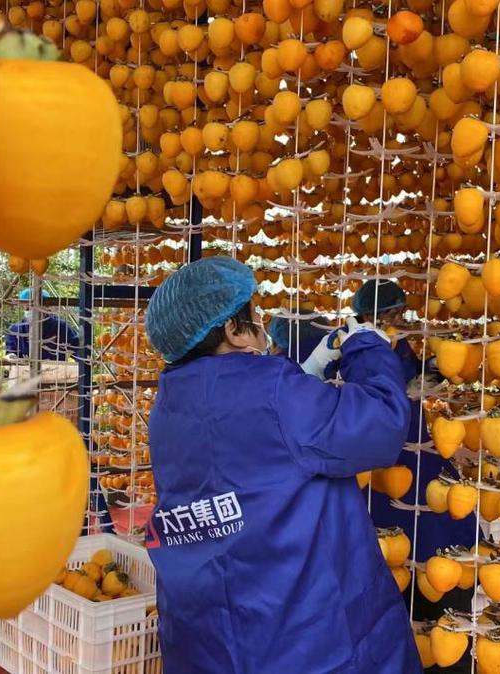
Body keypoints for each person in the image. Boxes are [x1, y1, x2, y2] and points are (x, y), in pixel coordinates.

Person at [143, 256, 422, 674]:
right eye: (253, 316)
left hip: (205, 638)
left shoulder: (167, 407)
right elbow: (381, 424)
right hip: (304, 641)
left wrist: (307, 374)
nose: (260, 326)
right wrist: (367, 345)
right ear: (233, 330)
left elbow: (258, 446)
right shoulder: (271, 390)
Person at [353, 280, 478, 674]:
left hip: (431, 513)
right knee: (392, 627)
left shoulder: (403, 350)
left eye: (400, 313)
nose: (398, 320)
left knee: (444, 630)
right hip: (387, 511)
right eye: (390, 314)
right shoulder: (356, 357)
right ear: (368, 317)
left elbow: (432, 375)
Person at [4, 288, 80, 361]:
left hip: (56, 369)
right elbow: (11, 351)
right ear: (22, 307)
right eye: (28, 308)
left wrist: (82, 363)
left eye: (38, 307)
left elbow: (77, 349)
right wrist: (11, 356)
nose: (33, 310)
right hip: (25, 369)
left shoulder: (60, 327)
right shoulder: (15, 330)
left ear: (47, 307)